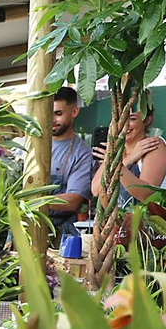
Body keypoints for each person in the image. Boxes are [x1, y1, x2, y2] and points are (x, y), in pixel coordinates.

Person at [94, 93, 166, 210]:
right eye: (121, 119)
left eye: (132, 119)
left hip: (147, 223)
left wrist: (117, 166)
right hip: (119, 224)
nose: (125, 125)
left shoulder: (154, 145)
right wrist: (128, 160)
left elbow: (146, 195)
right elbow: (95, 190)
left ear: (147, 120)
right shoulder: (116, 150)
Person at [46, 86, 94, 239]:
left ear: (74, 112)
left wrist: (32, 202)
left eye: (58, 114)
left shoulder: (82, 153)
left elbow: (73, 200)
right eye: (49, 114)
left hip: (57, 234)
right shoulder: (32, 143)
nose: (52, 120)